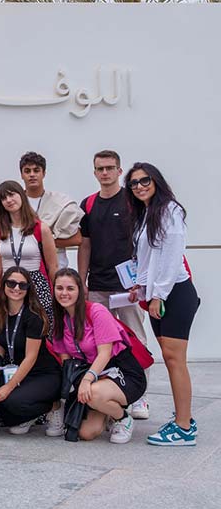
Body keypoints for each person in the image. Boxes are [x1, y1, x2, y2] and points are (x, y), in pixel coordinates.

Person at [125, 163, 200, 446]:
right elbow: (148, 260)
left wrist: (158, 295)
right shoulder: (145, 214)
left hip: (175, 292)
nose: (140, 186)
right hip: (159, 293)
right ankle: (183, 417)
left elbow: (171, 257)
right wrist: (141, 286)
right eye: (134, 183)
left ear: (156, 181)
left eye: (145, 180)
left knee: (174, 358)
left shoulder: (170, 210)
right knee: (170, 358)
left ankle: (184, 428)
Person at [77, 150, 150, 419]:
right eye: (100, 168)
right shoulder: (88, 204)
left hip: (129, 288)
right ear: (94, 172)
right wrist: (82, 280)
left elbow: (145, 243)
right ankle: (106, 391)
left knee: (135, 339)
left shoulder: (133, 201)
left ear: (120, 171)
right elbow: (85, 245)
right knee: (99, 343)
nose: (105, 173)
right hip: (98, 285)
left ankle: (140, 397)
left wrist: (141, 282)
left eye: (110, 168)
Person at [48, 269, 147, 443]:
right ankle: (108, 409)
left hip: (122, 373)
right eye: (59, 288)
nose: (64, 293)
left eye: (70, 288)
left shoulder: (96, 311)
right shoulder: (60, 319)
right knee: (86, 433)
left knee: (93, 395)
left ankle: (123, 418)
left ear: (80, 290)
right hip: (95, 377)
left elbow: (105, 354)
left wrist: (86, 381)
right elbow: (66, 360)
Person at [0, 266, 61, 437]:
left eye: (22, 285)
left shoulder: (34, 316)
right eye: (11, 283)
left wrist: (9, 387)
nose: (16, 288)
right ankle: (28, 414)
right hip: (17, 371)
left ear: (28, 289)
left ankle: (54, 407)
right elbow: (1, 344)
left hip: (42, 373)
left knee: (11, 401)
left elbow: (31, 357)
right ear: (3, 285)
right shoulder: (1, 311)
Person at [0, 180, 58, 320]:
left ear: (22, 195)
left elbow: (53, 266)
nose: (8, 200)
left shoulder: (41, 228)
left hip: (35, 285)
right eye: (3, 198)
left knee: (38, 327)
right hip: (9, 285)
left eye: (12, 195)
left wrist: (57, 294)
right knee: (9, 327)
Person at [19, 151, 83, 270]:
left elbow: (77, 239)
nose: (32, 175)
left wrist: (42, 241)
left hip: (55, 268)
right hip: (23, 269)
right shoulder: (14, 202)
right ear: (21, 175)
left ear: (44, 173)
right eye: (27, 171)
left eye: (36, 170)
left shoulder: (60, 202)